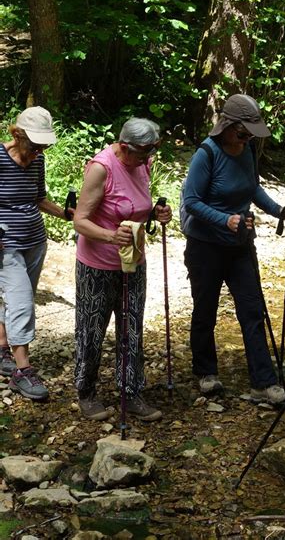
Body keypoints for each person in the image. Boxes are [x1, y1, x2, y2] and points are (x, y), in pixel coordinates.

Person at [182, 94, 285, 405]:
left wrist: (279, 211)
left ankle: (263, 382)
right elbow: (191, 202)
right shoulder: (206, 154)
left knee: (252, 310)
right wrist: (225, 219)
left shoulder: (246, 150)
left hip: (239, 246)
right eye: (243, 132)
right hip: (205, 247)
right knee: (205, 310)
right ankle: (206, 373)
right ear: (227, 126)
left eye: (251, 134)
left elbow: (253, 187)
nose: (247, 138)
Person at [73, 117, 172, 422]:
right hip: (97, 265)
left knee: (131, 329)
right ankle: (86, 392)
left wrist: (157, 213)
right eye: (143, 153)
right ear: (124, 147)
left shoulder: (142, 163)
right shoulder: (101, 168)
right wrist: (110, 235)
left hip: (133, 261)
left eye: (150, 152)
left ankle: (131, 392)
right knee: (92, 330)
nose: (147, 158)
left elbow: (138, 206)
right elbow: (80, 220)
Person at [0, 106, 72, 401]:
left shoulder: (37, 160)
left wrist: (65, 214)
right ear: (16, 135)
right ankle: (22, 371)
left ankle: (2, 348)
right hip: (7, 245)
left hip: (35, 241)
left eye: (43, 146)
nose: (39, 151)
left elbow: (39, 198)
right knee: (21, 304)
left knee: (17, 298)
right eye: (34, 145)